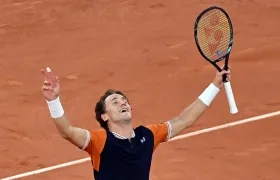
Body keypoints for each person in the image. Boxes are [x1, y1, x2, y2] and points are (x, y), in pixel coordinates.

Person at [41, 65, 231, 180]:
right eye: (114, 102)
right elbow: (67, 132)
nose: (122, 102)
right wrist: (53, 101)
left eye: (124, 100)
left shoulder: (148, 135)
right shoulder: (99, 140)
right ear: (104, 116)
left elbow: (185, 119)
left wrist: (215, 85)